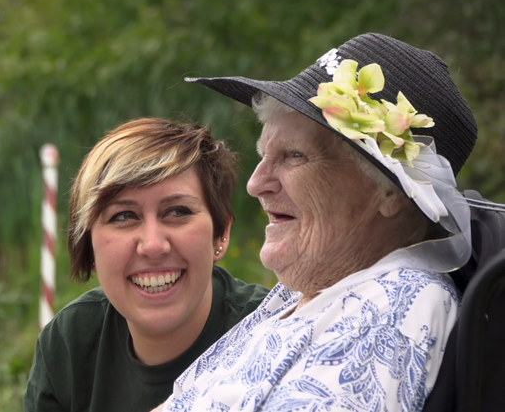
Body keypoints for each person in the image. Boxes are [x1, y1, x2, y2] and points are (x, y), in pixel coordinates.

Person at [153, 33, 478, 411]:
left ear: (391, 193)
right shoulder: (305, 294)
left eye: (294, 155)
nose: (256, 183)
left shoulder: (394, 307)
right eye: (264, 155)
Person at [23, 117, 270, 412]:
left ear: (222, 231)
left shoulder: (273, 336)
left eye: (177, 211)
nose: (153, 245)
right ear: (87, 244)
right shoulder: (68, 345)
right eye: (124, 216)